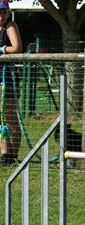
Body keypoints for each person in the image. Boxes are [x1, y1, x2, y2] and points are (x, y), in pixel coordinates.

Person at [0, 0, 22, 165]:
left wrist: (2, 50)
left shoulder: (10, 26)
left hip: (7, 79)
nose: (0, 16)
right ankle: (4, 153)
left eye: (3, 13)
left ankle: (12, 154)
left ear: (8, 13)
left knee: (9, 117)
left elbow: (17, 47)